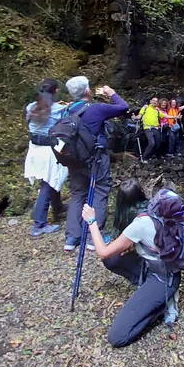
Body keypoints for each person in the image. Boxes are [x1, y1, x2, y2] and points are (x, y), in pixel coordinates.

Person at [82, 188, 183, 347]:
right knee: (114, 259)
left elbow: (103, 252)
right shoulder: (166, 214)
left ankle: (159, 305)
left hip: (163, 280)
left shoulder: (141, 223)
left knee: (117, 337)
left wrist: (91, 221)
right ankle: (148, 293)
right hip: (160, 268)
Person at [63, 76, 129, 252]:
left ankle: (71, 238)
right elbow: (123, 107)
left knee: (78, 194)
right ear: (87, 91)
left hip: (73, 159)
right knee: (100, 189)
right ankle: (95, 237)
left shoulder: (67, 110)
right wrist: (112, 93)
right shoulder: (96, 109)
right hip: (95, 157)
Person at [24, 79, 68, 237]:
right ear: (56, 91)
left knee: (49, 180)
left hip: (35, 149)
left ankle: (58, 207)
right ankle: (39, 224)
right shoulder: (59, 109)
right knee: (47, 184)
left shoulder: (30, 107)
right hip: (49, 150)